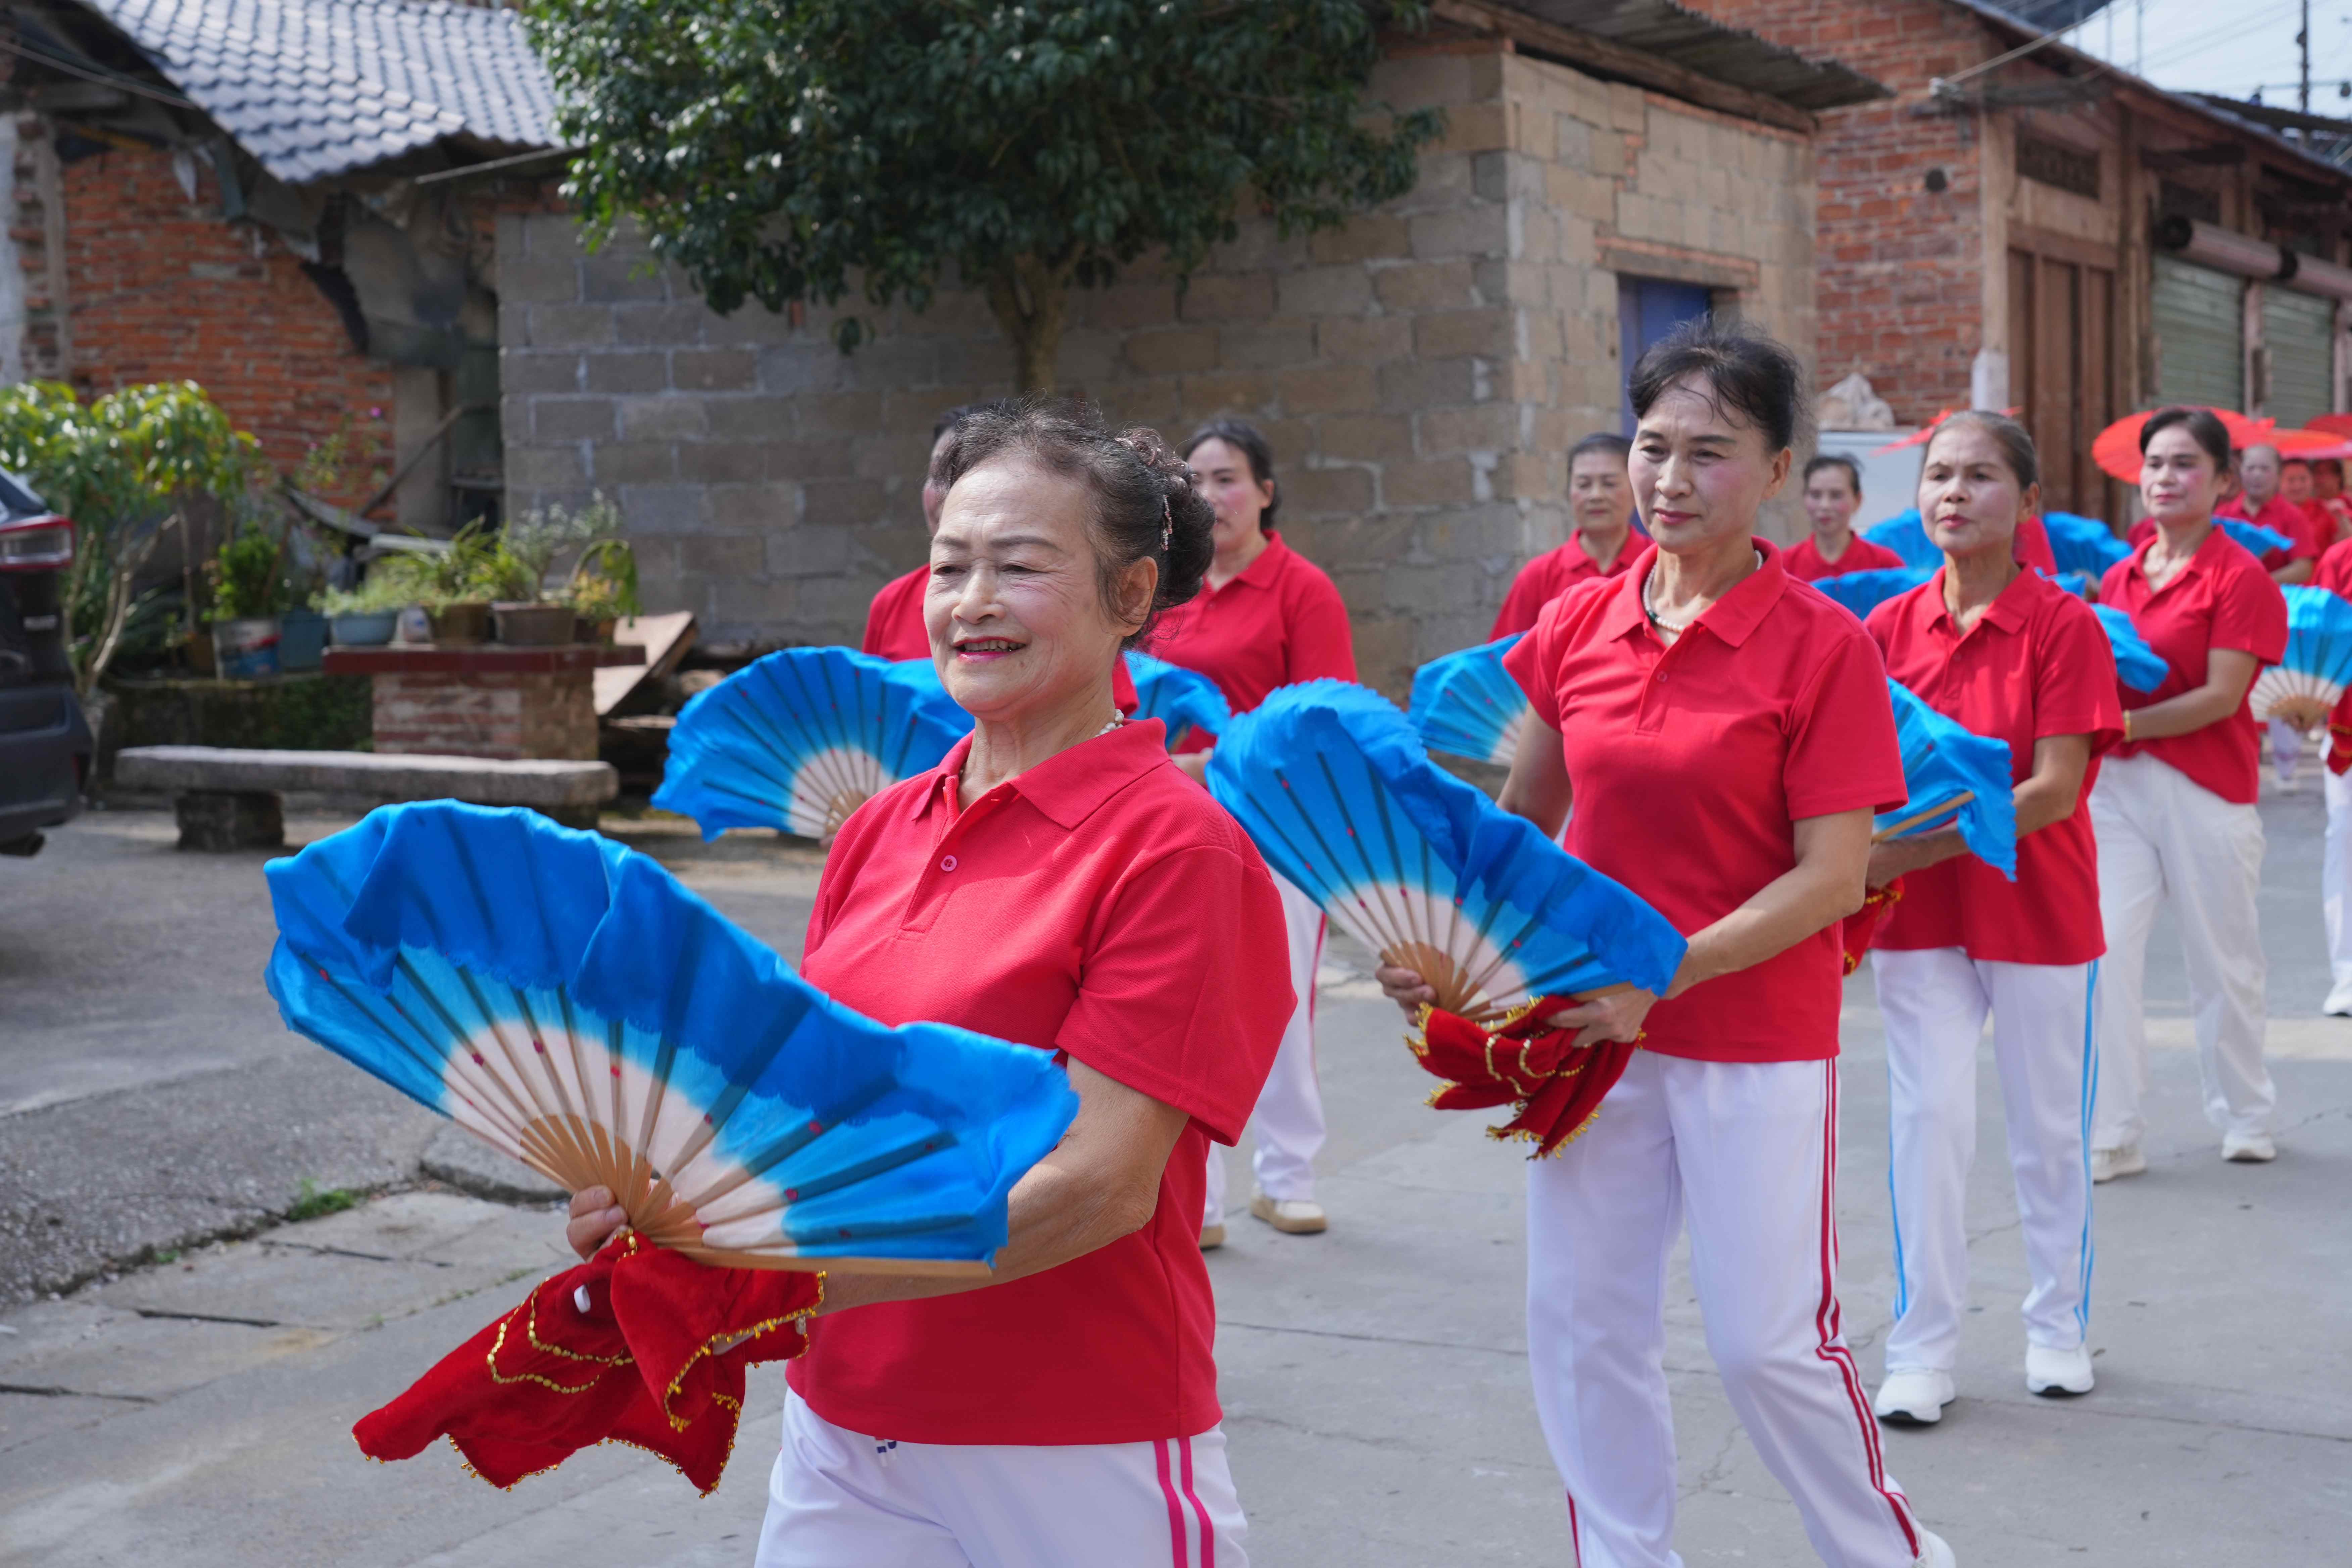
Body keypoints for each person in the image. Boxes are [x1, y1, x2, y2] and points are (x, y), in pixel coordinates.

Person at [568, 402, 1291, 1566]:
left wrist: (770, 1281)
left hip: (1072, 1434)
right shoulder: (880, 828)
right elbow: (811, 1110)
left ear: (1129, 597)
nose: (970, 602)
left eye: (1019, 566)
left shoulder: (1176, 849)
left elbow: (1100, 1186)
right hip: (843, 1420)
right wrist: (670, 1202)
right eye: (948, 566)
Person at [1380, 319, 1953, 1568]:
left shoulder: (1823, 646)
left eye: (1710, 451)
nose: (1670, 479)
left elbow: (1831, 877)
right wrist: (1440, 938)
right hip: (1591, 1032)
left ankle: (1889, 1555)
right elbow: (1517, 827)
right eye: (1653, 446)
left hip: (1750, 1033)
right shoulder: (1577, 625)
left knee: (1767, 1341)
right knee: (1584, 1321)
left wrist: (1666, 972)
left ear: (1778, 470)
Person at [1858, 412, 2123, 1425]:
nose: (1952, 494)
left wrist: (1905, 845)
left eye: (1977, 476)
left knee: (2045, 1130)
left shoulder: (2062, 627)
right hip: (1917, 915)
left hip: (2037, 905)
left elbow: (2053, 791)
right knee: (1926, 1126)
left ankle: (2054, 1324)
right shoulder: (1884, 629)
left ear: (2026, 501)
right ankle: (1922, 1346)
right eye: (1936, 476)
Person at [1152, 416, 1357, 1246]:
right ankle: (1198, 1198)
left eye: (1228, 478)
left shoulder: (1302, 588)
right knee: (1187, 1005)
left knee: (1280, 1006)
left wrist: (1219, 761)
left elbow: (1323, 718)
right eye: (1196, 481)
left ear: (1265, 493)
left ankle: (1288, 1176)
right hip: (1177, 826)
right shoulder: (1167, 592)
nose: (1212, 496)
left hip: (1281, 829)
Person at [2089, 407, 2287, 1182]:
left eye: (2184, 465)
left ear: (2224, 483)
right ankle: (2114, 1128)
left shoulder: (2240, 577)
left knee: (2224, 961)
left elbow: (2219, 696)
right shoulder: (2121, 573)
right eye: (2155, 465)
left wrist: (2121, 720)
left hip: (2207, 788)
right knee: (2101, 957)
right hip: (2117, 788)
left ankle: (2246, 1114)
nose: (2165, 478)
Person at [1491, 433, 1638, 636]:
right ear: (1569, 492)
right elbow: (1505, 658)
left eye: (1609, 484)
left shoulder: (1659, 565)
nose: (1596, 496)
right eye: (1584, 485)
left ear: (1637, 488)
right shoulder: (1539, 576)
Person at [2308, 529, 2352, 1014]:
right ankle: (2348, 974)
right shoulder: (2341, 559)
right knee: (2345, 845)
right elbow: (2316, 638)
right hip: (2348, 729)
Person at [1786, 454, 1908, 580]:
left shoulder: (1886, 565)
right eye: (1816, 495)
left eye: (1836, 495)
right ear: (1804, 498)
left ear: (1858, 500)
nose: (1825, 505)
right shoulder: (1785, 566)